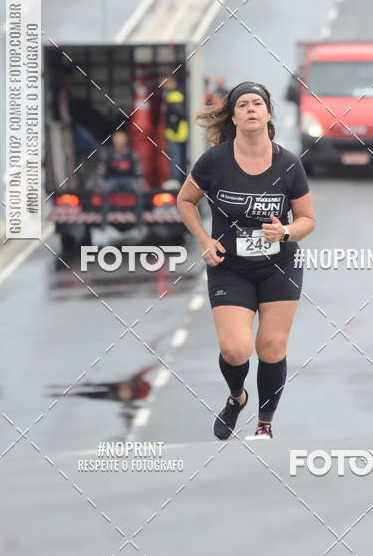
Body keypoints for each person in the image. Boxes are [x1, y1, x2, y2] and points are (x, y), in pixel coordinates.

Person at [176, 81, 316, 440]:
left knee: (270, 346)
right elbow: (185, 201)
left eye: (258, 104)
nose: (251, 109)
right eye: (243, 105)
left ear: (269, 114)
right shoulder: (214, 161)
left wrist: (284, 232)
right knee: (235, 349)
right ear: (234, 117)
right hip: (230, 269)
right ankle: (237, 397)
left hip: (278, 266)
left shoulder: (288, 164)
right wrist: (204, 240)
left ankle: (264, 423)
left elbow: (307, 220)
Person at [96, 130, 144, 226]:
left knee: (138, 192)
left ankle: (139, 220)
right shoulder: (109, 153)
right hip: (113, 179)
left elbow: (138, 168)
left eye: (121, 138)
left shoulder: (131, 153)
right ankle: (104, 220)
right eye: (117, 138)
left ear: (125, 140)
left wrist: (140, 183)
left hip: (128, 179)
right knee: (105, 191)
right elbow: (102, 169)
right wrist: (100, 184)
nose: (119, 140)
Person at [163, 75, 188, 181]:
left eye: (165, 82)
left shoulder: (173, 95)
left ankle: (175, 179)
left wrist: (172, 126)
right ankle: (179, 179)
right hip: (178, 132)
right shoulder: (174, 94)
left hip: (176, 133)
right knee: (178, 156)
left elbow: (178, 113)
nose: (163, 85)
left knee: (175, 156)